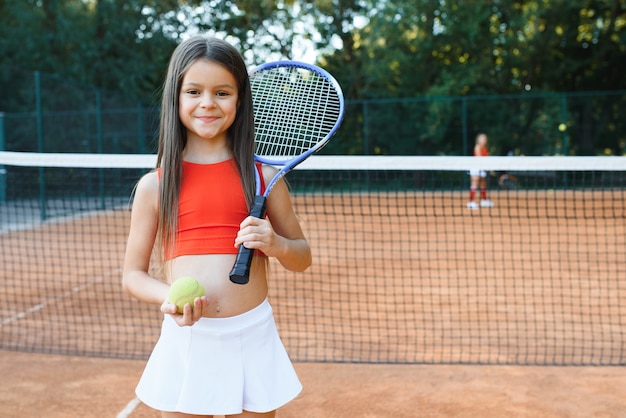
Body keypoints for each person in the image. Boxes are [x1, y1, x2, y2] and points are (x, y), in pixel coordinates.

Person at [122, 35, 311, 418]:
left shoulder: (264, 179)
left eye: (222, 92)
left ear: (240, 100)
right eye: (194, 91)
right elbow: (132, 275)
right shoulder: (155, 186)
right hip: (188, 338)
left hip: (252, 335)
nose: (208, 103)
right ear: (175, 99)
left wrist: (276, 244)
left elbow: (301, 257)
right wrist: (170, 298)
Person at [466, 133, 494, 210]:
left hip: (482, 168)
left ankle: (484, 200)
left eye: (485, 138)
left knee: (483, 184)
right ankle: (470, 202)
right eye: (482, 138)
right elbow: (479, 158)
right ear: (478, 140)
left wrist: (489, 168)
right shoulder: (477, 147)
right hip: (476, 167)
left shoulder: (485, 148)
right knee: (475, 183)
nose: (484, 140)